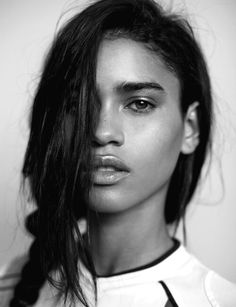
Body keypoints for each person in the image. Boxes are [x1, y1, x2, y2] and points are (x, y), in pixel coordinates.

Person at [0, 0, 236, 306]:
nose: (101, 131)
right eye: (77, 104)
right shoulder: (12, 284)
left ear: (190, 128)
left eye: (139, 104)